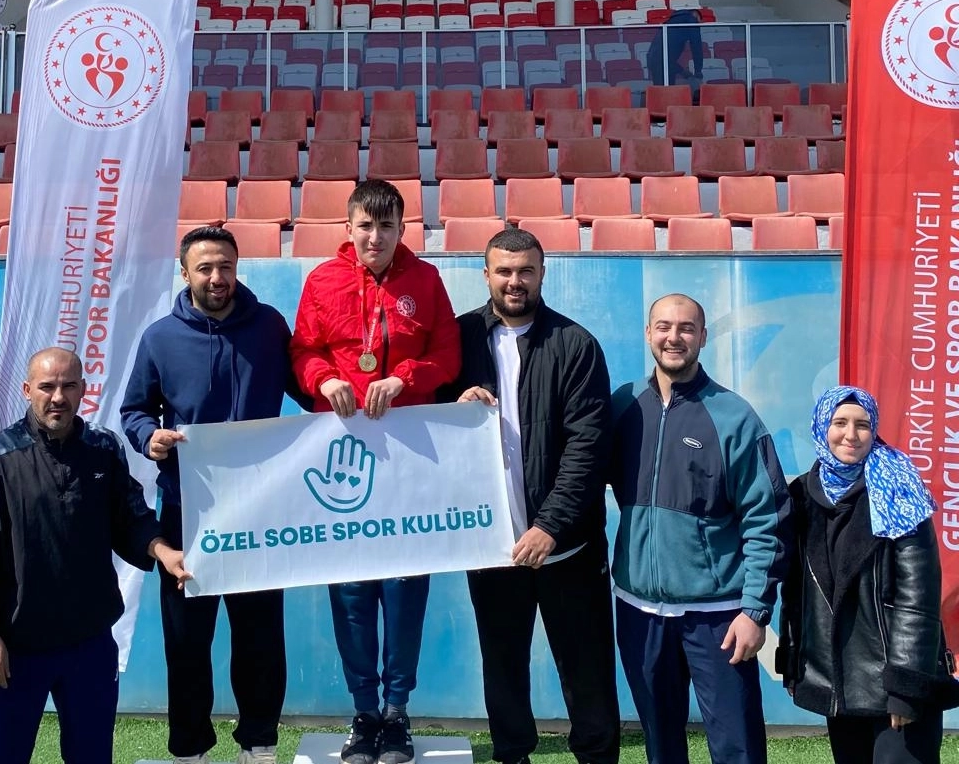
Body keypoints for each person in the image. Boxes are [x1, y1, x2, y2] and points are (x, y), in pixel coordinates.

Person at [290, 179, 461, 764]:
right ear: (348, 228)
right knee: (352, 592)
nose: (375, 236)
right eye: (365, 225)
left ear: (401, 230)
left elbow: (448, 355)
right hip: (344, 462)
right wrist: (323, 380)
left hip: (410, 462)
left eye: (386, 226)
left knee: (405, 589)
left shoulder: (426, 281)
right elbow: (303, 352)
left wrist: (404, 378)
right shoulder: (322, 281)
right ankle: (364, 713)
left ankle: (397, 713)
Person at [120, 226, 300, 764]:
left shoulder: (270, 326)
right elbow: (135, 411)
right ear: (186, 273)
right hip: (186, 512)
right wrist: (148, 438)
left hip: (260, 509)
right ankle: (189, 749)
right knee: (186, 641)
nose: (217, 277)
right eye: (205, 268)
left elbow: (308, 388)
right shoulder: (159, 338)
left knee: (261, 637)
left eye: (226, 266)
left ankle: (259, 745)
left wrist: (351, 401)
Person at [451, 229, 620, 764]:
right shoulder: (458, 338)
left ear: (542, 274)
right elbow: (428, 427)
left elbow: (587, 448)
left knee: (587, 671)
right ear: (486, 275)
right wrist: (454, 406)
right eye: (504, 271)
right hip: (493, 547)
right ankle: (512, 755)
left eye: (525, 270)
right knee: (502, 668)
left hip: (568, 548)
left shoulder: (575, 344)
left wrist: (549, 526)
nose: (514, 281)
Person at [0, 347, 165, 764]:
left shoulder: (104, 447)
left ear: (83, 389)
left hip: (89, 643)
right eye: (47, 387)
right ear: (28, 390)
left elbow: (131, 517)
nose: (58, 397)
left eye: (69, 386)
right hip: (14, 646)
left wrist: (163, 550)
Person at [607, 293, 791, 764]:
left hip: (719, 617)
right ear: (648, 334)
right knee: (661, 746)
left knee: (736, 748)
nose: (674, 337)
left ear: (703, 337)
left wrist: (754, 612)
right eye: (664, 327)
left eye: (686, 328)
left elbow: (767, 520)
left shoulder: (734, 417)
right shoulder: (624, 406)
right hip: (639, 612)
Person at [778, 386, 959, 764]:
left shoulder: (900, 490)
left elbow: (917, 601)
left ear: (874, 429)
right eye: (840, 423)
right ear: (821, 428)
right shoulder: (802, 495)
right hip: (840, 690)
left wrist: (905, 689)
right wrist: (796, 667)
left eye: (862, 425)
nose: (851, 434)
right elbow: (797, 594)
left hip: (895, 687)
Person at [647, 9, 704, 87]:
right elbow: (696, 46)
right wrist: (698, 71)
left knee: (660, 91)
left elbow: (664, 56)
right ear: (696, 15)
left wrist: (682, 71)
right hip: (662, 63)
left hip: (653, 61)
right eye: (698, 23)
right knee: (669, 91)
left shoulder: (669, 22)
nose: (698, 26)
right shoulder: (691, 20)